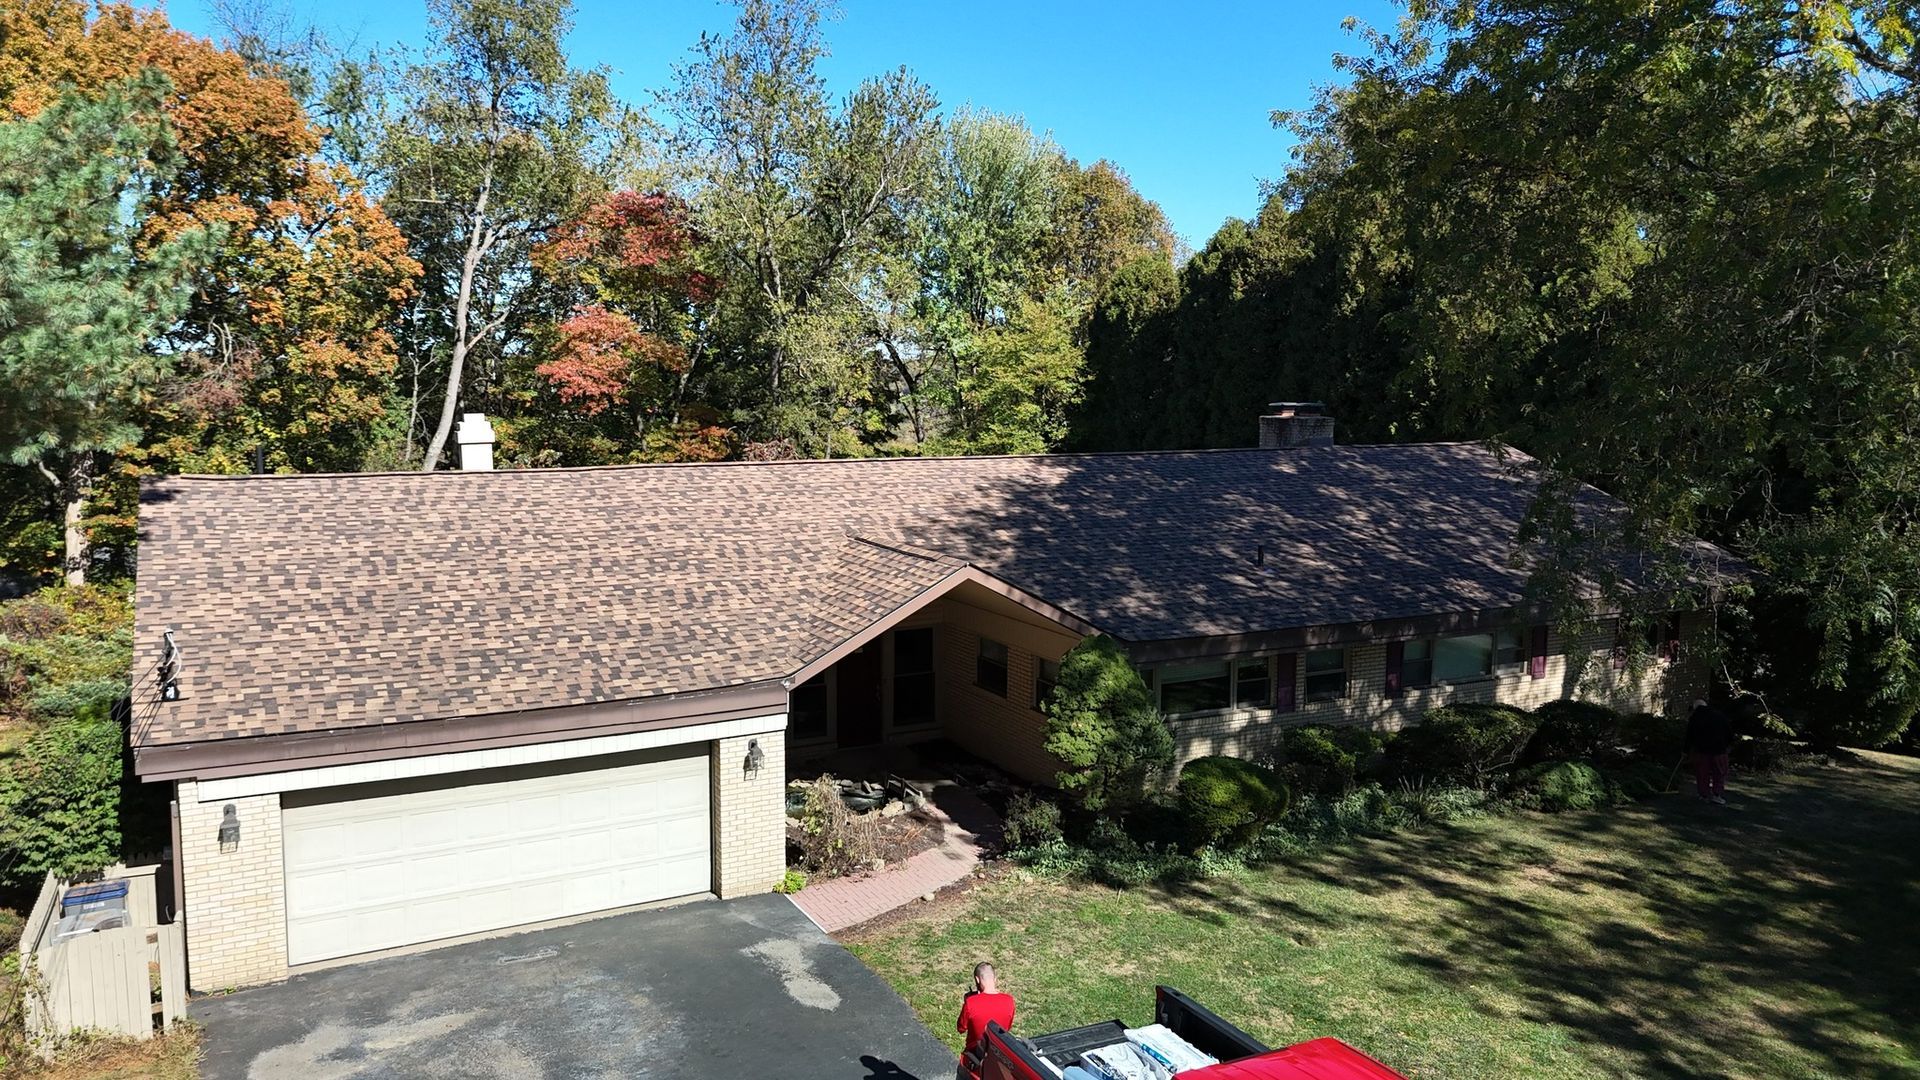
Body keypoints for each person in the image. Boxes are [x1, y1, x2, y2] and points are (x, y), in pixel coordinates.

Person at [954, 961, 1016, 1079]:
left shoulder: (971, 1003)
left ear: (977, 980)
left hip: (974, 1060)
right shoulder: (1009, 1001)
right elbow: (1006, 1029)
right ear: (995, 979)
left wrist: (968, 1002)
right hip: (997, 1061)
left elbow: (961, 1028)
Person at [1685, 698, 1734, 805]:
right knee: (1719, 773)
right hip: (1719, 750)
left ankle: (1704, 795)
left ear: (1695, 708)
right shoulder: (1719, 715)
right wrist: (1729, 745)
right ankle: (1717, 795)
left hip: (1702, 751)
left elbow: (1689, 736)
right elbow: (1729, 732)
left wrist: (1685, 750)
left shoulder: (1695, 718)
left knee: (1702, 773)